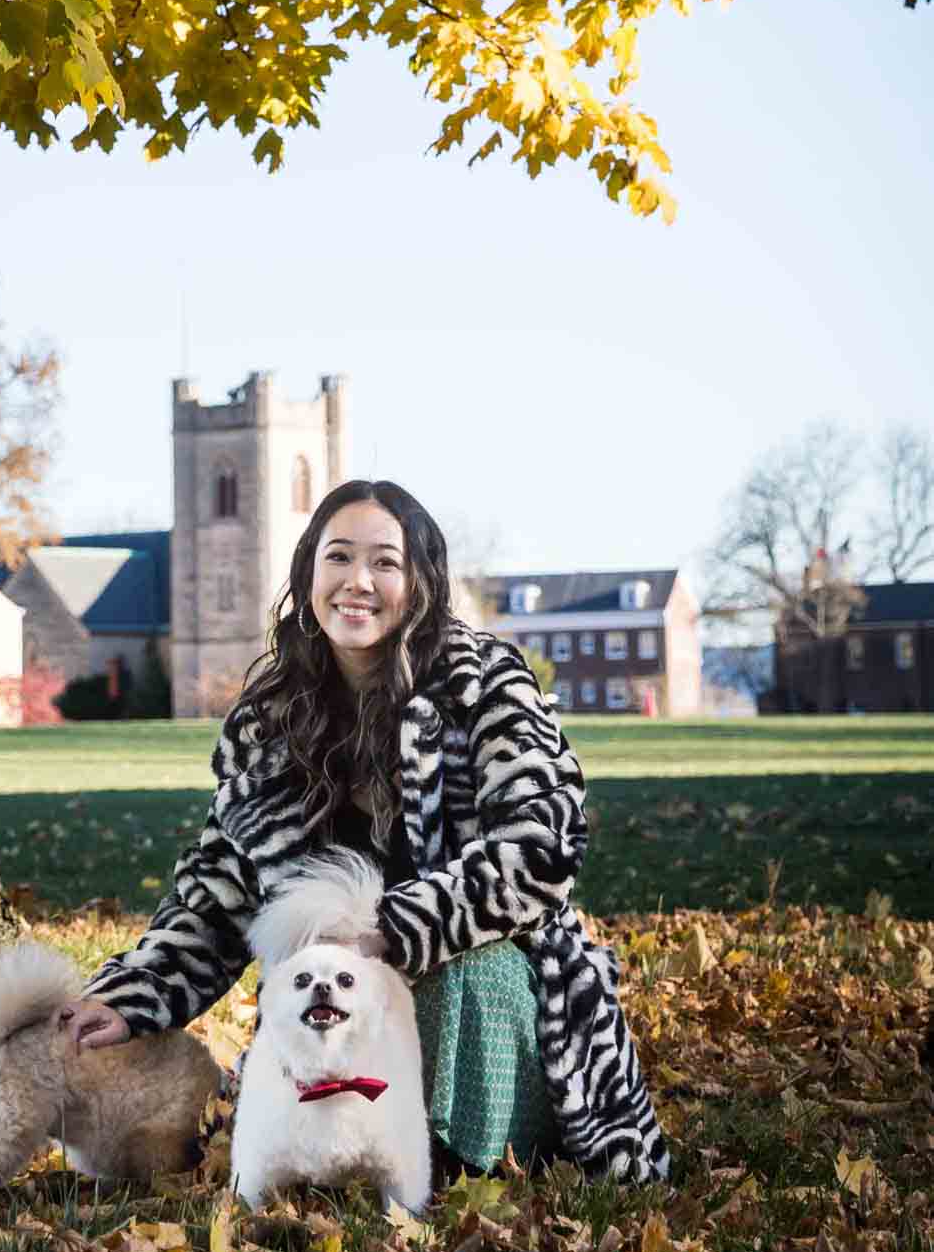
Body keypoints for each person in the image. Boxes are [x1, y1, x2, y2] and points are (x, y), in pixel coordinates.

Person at [57, 479, 670, 1184]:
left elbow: (540, 846)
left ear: (420, 581)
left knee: (461, 975)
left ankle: (451, 1166)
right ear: (308, 573)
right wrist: (128, 996)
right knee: (324, 994)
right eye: (338, 557)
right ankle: (341, 1160)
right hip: (335, 1011)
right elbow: (218, 896)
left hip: (491, 997)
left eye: (385, 561)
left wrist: (392, 930)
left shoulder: (483, 683)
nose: (358, 581)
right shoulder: (269, 720)